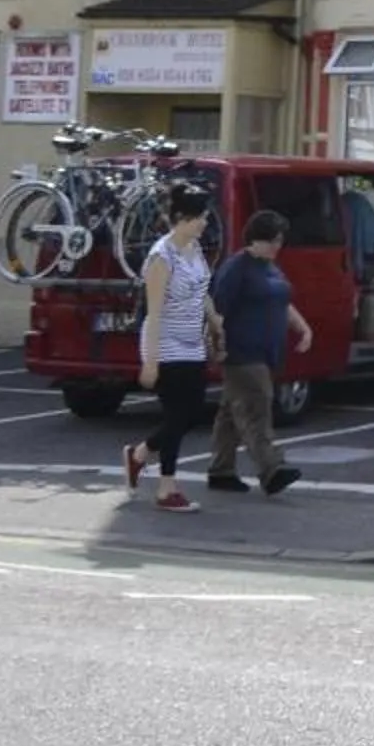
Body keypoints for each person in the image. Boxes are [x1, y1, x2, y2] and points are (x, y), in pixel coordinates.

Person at [207, 208, 312, 495]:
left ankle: (221, 468)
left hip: (265, 351)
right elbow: (218, 309)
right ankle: (271, 468)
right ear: (258, 239)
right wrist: (217, 346)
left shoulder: (270, 266)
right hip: (242, 351)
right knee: (257, 406)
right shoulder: (237, 268)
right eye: (274, 240)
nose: (279, 246)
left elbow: (281, 301)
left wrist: (303, 328)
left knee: (231, 411)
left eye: (280, 240)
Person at [122, 183, 213, 512]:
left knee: (193, 412)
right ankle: (166, 489)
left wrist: (215, 321)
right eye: (200, 217)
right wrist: (151, 361)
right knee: (176, 416)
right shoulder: (161, 257)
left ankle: (140, 454)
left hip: (192, 343)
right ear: (182, 218)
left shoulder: (195, 249)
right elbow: (155, 311)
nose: (205, 222)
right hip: (167, 343)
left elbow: (202, 291)